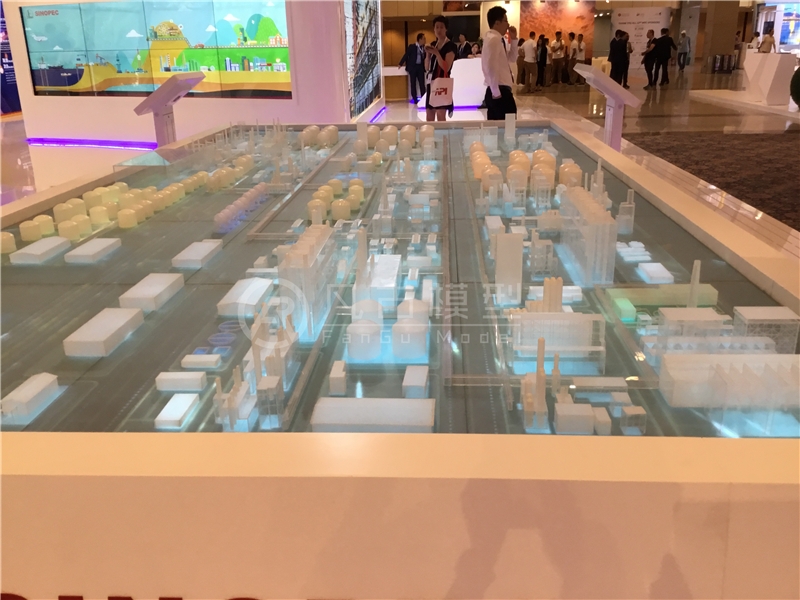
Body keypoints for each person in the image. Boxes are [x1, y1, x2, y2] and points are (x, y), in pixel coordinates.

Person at [481, 5, 516, 120]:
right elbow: (491, 66)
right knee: (508, 126)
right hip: (500, 91)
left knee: (501, 126)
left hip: (500, 90)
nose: (508, 24)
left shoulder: (497, 39)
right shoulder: (494, 39)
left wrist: (514, 40)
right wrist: (496, 92)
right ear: (497, 23)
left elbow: (512, 58)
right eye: (505, 20)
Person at [424, 15, 457, 122]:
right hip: (432, 83)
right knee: (429, 115)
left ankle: (443, 134)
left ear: (446, 29)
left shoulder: (451, 46)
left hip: (442, 84)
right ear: (434, 29)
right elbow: (427, 67)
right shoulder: (433, 44)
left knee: (440, 115)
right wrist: (428, 55)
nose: (439, 30)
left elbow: (446, 67)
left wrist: (437, 53)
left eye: (441, 27)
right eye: (436, 27)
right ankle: (430, 134)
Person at [399, 33, 426, 104]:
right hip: (413, 67)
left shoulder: (424, 48)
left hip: (420, 67)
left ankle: (423, 98)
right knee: (413, 83)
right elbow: (406, 55)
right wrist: (401, 63)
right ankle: (415, 99)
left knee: (422, 84)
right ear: (420, 39)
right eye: (424, 39)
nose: (425, 40)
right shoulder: (412, 47)